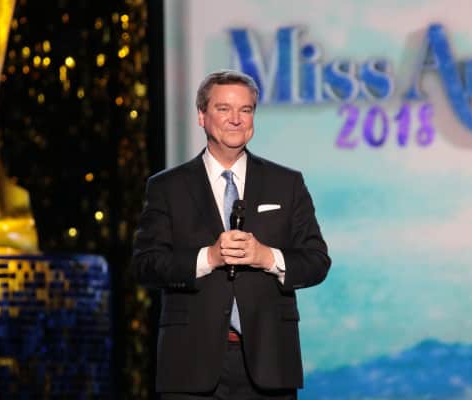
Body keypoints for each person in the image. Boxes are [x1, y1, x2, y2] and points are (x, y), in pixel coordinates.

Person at [132, 69, 330, 399]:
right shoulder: (167, 187)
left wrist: (267, 257)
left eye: (245, 110)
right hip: (189, 363)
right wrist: (208, 258)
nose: (235, 119)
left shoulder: (287, 183)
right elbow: (145, 265)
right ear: (201, 115)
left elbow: (317, 262)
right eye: (223, 108)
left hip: (270, 361)